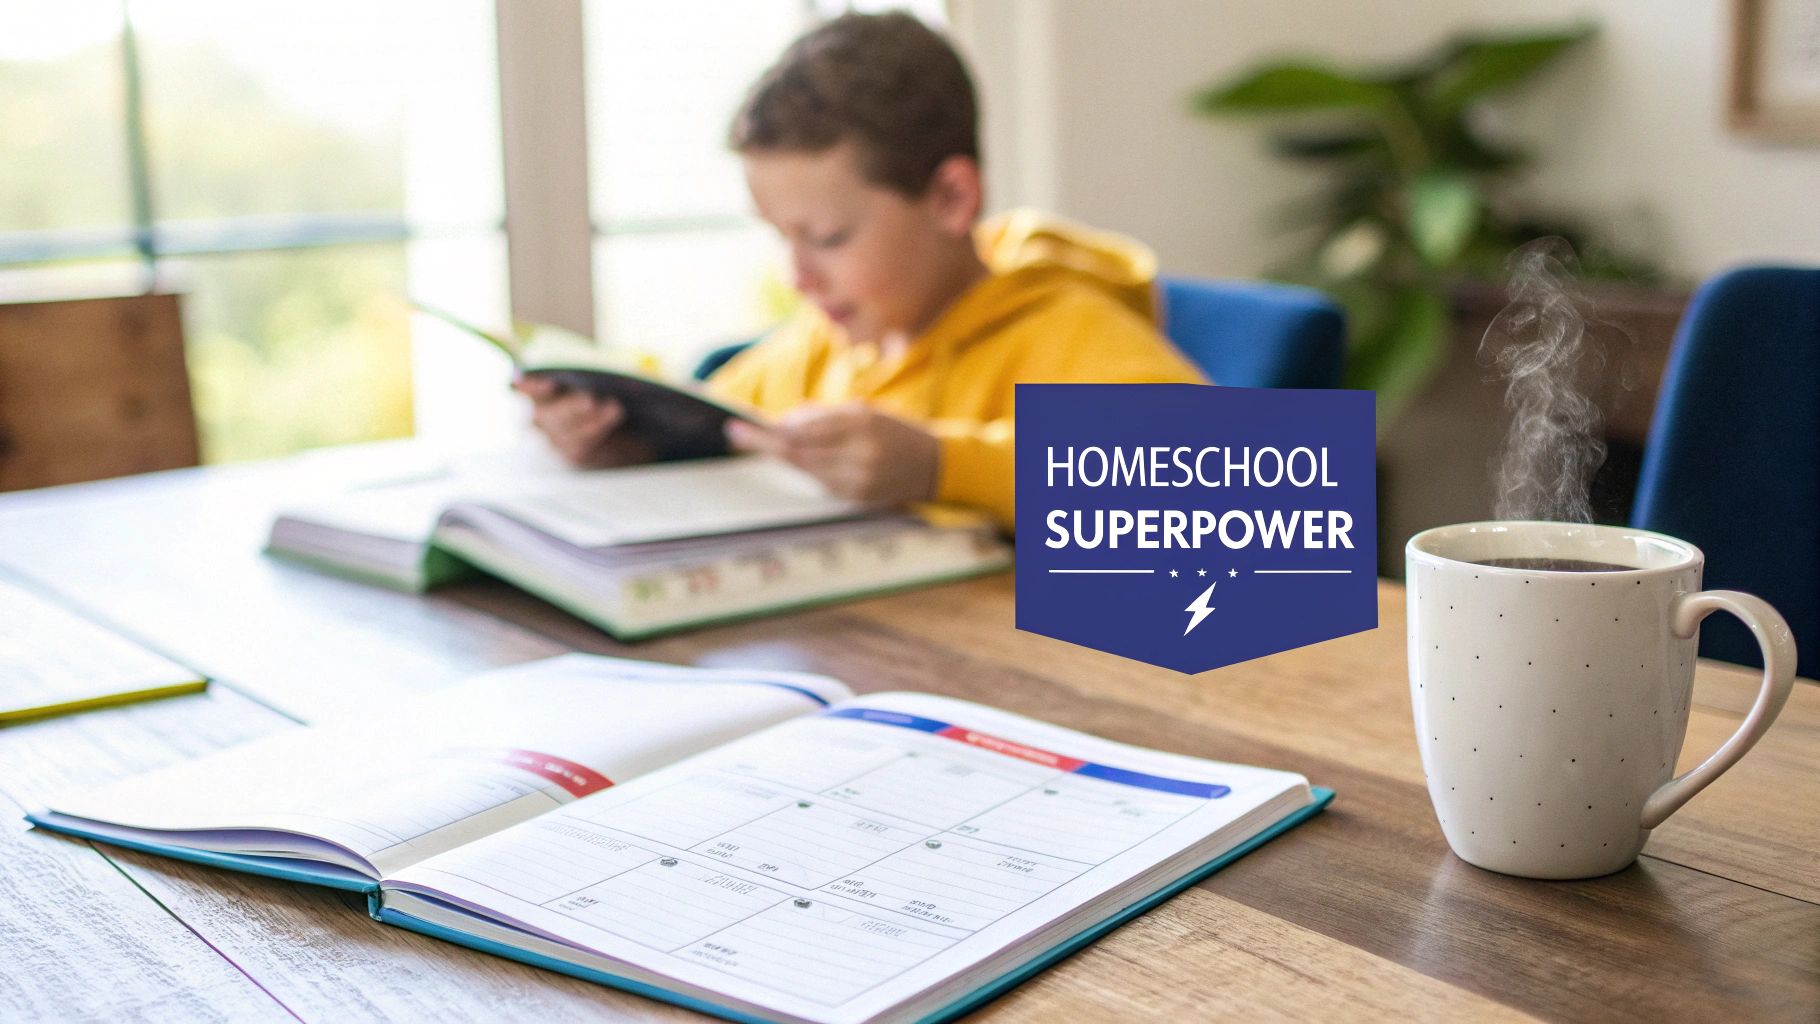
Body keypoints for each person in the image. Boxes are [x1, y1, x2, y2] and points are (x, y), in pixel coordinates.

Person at [517, 11, 1205, 532]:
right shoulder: (825, 343)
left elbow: (1223, 493)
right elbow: (722, 424)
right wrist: (628, 441)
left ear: (952, 198)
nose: (798, 276)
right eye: (782, 237)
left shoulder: (1065, 329)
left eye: (827, 237)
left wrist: (941, 465)